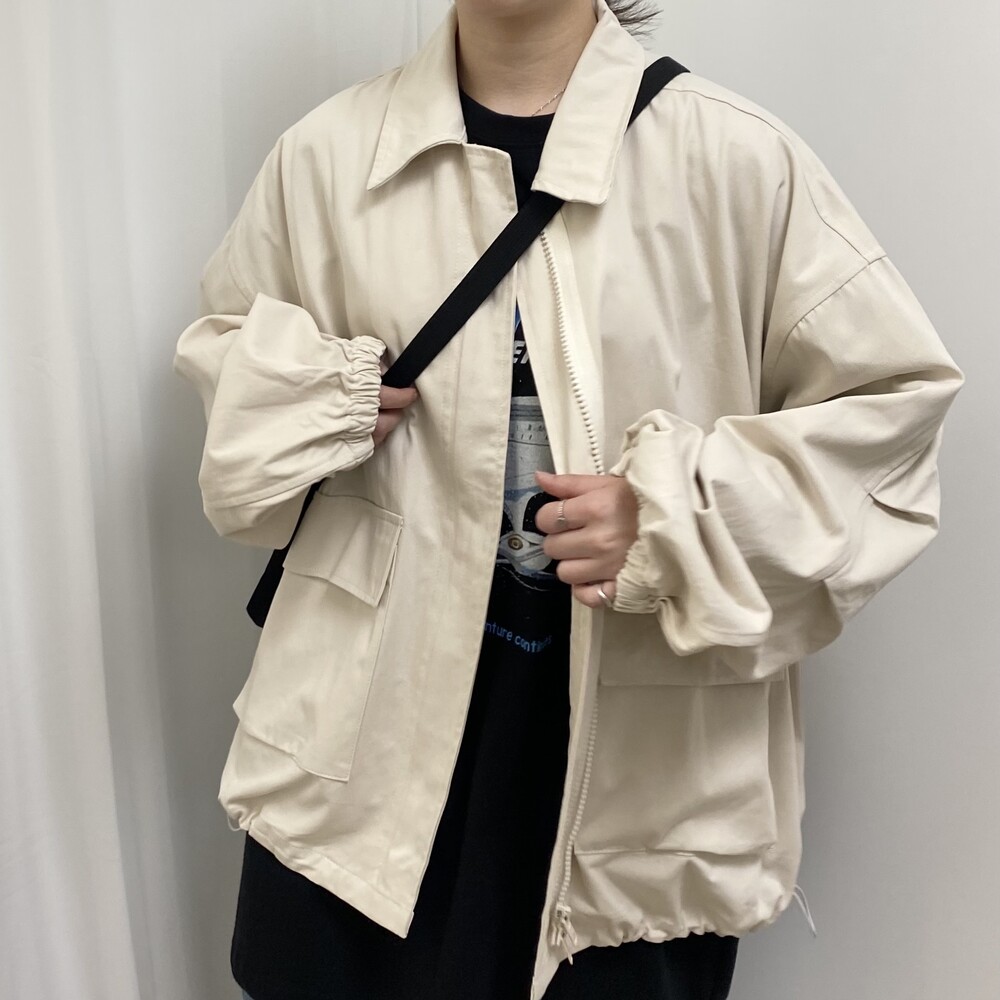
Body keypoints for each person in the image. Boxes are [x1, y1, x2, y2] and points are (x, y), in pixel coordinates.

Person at [172, 1, 964, 998]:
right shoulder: (329, 158)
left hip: (633, 779)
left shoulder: (735, 161)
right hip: (358, 766)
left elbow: (892, 417)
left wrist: (677, 515)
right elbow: (228, 377)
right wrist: (316, 399)